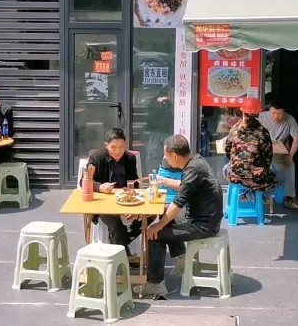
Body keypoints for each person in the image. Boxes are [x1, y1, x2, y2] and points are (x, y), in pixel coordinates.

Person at [134, 135, 223, 298]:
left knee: (155, 234)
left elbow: (178, 203)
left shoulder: (193, 169)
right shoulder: (196, 161)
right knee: (164, 215)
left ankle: (155, 284)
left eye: (166, 155)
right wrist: (163, 181)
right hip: (202, 217)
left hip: (204, 225)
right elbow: (185, 187)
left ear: (174, 156)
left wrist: (158, 225)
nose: (165, 159)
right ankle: (183, 258)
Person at [87, 128, 146, 258]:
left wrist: (133, 203)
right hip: (103, 204)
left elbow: (134, 181)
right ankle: (123, 256)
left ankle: (121, 240)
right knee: (116, 225)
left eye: (121, 147)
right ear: (106, 145)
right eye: (113, 147)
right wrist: (100, 187)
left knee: (149, 217)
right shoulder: (97, 158)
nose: (118, 151)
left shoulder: (130, 158)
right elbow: (84, 181)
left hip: (124, 201)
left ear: (125, 144)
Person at [224, 97, 279, 194]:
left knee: (225, 168)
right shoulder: (263, 132)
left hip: (234, 177)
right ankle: (259, 198)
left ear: (242, 112)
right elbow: (268, 158)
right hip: (257, 179)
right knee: (274, 179)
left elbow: (227, 150)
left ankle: (242, 194)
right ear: (259, 114)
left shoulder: (234, 129)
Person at [258, 100, 298, 210]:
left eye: (279, 113)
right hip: (263, 150)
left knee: (290, 166)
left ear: (284, 112)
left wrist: (290, 156)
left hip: (280, 151)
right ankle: (262, 194)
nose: (276, 116)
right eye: (273, 113)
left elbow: (296, 139)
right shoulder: (262, 117)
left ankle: (289, 198)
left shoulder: (290, 119)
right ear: (269, 110)